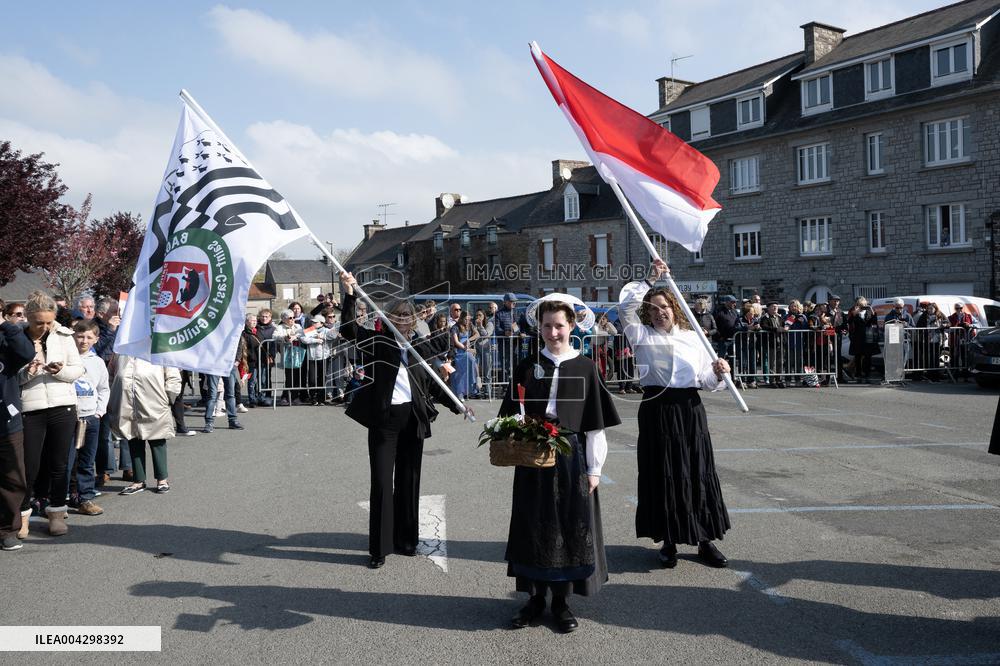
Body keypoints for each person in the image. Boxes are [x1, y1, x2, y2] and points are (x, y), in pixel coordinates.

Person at [498, 294, 621, 633]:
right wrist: (514, 435)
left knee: (567, 526)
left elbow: (595, 427)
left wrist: (595, 469)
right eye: (547, 326)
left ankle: (561, 603)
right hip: (533, 457)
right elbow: (511, 413)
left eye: (559, 326)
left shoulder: (585, 367)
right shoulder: (528, 365)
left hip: (570, 458)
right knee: (532, 524)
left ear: (571, 327)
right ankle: (534, 599)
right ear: (539, 327)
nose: (553, 333)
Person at [339, 271, 471, 569]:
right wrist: (350, 294)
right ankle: (380, 548)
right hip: (384, 422)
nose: (402, 319)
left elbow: (432, 383)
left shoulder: (419, 347)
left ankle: (406, 540)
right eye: (397, 315)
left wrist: (458, 405)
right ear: (388, 318)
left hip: (413, 419)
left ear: (414, 320)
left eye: (407, 315)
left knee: (409, 481)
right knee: (382, 482)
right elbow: (348, 329)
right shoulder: (378, 342)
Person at [619, 260, 732, 569]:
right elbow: (625, 309)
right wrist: (649, 280)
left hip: (689, 409)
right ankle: (668, 540)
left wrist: (719, 373)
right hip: (656, 409)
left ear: (675, 309)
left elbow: (705, 382)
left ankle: (704, 539)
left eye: (665, 307)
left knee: (697, 471)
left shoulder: (694, 337)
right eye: (654, 308)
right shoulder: (641, 335)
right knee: (663, 472)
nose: (660, 312)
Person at [18, 291, 84, 537]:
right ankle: (22, 516)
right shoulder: (17, 337)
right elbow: (9, 377)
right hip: (30, 409)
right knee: (29, 466)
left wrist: (60, 371)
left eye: (49, 322)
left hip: (62, 406)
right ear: (28, 317)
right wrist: (29, 372)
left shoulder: (65, 336)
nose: (44, 327)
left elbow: (78, 369)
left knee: (59, 464)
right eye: (39, 323)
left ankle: (56, 512)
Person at [109, 356, 181, 495]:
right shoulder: (120, 351)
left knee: (157, 439)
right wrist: (113, 397)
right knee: (133, 439)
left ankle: (162, 479)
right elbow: (111, 375)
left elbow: (173, 376)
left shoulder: (158, 350)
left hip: (154, 402)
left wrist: (168, 397)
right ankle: (138, 480)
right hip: (127, 403)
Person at [67, 319, 110, 516]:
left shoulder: (97, 362)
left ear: (96, 339)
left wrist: (99, 411)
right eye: (80, 336)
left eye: (89, 337)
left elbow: (103, 388)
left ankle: (85, 498)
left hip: (90, 417)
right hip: (68, 417)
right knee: (65, 461)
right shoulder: (66, 358)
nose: (84, 341)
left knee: (86, 460)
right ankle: (60, 498)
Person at [0, 312, 35, 549]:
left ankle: (7, 531)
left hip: (7, 423)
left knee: (13, 479)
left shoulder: (7, 337)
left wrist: (6, 324)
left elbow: (26, 353)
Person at [273, 309, 306, 406]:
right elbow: (275, 336)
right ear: (284, 319)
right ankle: (285, 397)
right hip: (287, 355)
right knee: (289, 377)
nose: (292, 319)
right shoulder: (280, 327)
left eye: (293, 317)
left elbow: (302, 334)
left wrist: (295, 337)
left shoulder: (298, 326)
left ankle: (295, 397)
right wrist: (284, 337)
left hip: (297, 354)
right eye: (290, 318)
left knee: (297, 376)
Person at [848, 297, 879, 383]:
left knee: (868, 356)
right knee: (857, 356)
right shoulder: (855, 312)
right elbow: (849, 322)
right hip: (857, 337)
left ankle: (867, 373)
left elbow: (874, 322)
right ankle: (858, 373)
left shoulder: (869, 311)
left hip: (867, 337)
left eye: (864, 305)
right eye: (861, 305)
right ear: (857, 305)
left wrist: (872, 312)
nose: (863, 307)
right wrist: (854, 314)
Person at [449, 311, 478, 400]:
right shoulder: (455, 327)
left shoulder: (470, 325)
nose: (467, 321)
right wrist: (466, 349)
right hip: (459, 351)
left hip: (466, 350)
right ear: (461, 318)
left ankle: (471, 387)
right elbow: (456, 341)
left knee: (471, 363)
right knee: (460, 372)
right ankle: (459, 392)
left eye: (469, 319)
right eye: (466, 319)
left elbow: (477, 334)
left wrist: (469, 340)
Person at [254, 308, 276, 405]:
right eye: (262, 316)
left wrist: (271, 356)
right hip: (256, 357)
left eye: (266, 316)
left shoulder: (273, 329)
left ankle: (267, 396)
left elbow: (274, 345)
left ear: (270, 317)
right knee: (256, 379)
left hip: (267, 357)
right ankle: (257, 396)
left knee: (266, 378)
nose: (264, 318)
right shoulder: (255, 328)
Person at [591, 312, 618, 380]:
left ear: (606, 319)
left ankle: (604, 380)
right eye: (601, 319)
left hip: (604, 349)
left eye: (604, 319)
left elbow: (615, 332)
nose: (602, 320)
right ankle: (598, 380)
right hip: (596, 348)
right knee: (598, 365)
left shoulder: (607, 325)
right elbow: (596, 332)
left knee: (607, 366)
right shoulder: (595, 325)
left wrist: (608, 324)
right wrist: (607, 332)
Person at [473, 309, 493, 396]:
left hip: (486, 349)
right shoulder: (473, 324)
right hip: (476, 349)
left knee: (487, 370)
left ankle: (488, 390)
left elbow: (486, 335)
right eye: (477, 315)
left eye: (480, 315)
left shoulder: (489, 324)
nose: (478, 317)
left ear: (484, 316)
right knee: (475, 370)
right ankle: (476, 390)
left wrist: (480, 326)